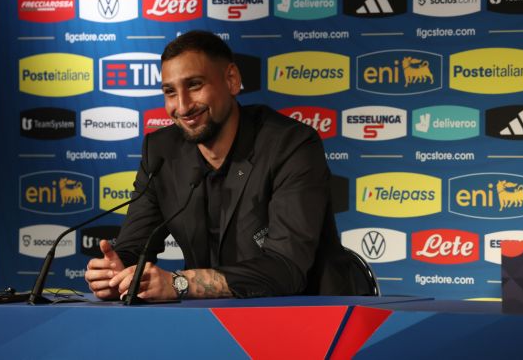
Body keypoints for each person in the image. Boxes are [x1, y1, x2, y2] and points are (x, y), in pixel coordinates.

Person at [85, 30, 354, 300]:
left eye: (194, 85)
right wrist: (117, 272)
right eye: (170, 92)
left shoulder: (291, 145)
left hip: (311, 316)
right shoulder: (161, 152)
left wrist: (180, 284)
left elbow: (286, 268)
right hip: (211, 322)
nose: (183, 106)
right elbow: (134, 246)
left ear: (232, 80)